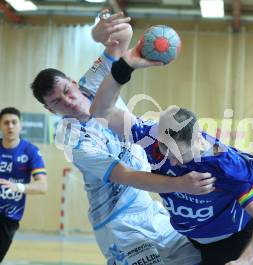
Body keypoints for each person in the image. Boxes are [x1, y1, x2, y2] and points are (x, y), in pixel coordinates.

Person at [89, 34, 253, 265]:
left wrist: (245, 261)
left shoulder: (228, 164)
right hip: (192, 235)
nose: (172, 162)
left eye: (179, 156)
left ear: (197, 142)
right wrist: (126, 65)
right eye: (167, 152)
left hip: (230, 238)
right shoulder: (151, 137)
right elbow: (100, 111)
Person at [30, 11, 216, 265]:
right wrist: (180, 184)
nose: (68, 101)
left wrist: (97, 34)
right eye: (56, 102)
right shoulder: (71, 138)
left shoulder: (94, 81)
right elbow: (124, 175)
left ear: (73, 83)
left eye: (66, 91)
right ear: (50, 110)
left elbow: (124, 35)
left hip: (147, 204)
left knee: (195, 259)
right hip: (117, 220)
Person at [0, 107, 48, 262]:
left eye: (14, 122)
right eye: (6, 123)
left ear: (20, 125)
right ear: (1, 126)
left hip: (8, 217)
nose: (10, 126)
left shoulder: (30, 151)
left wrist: (18, 187)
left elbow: (42, 186)